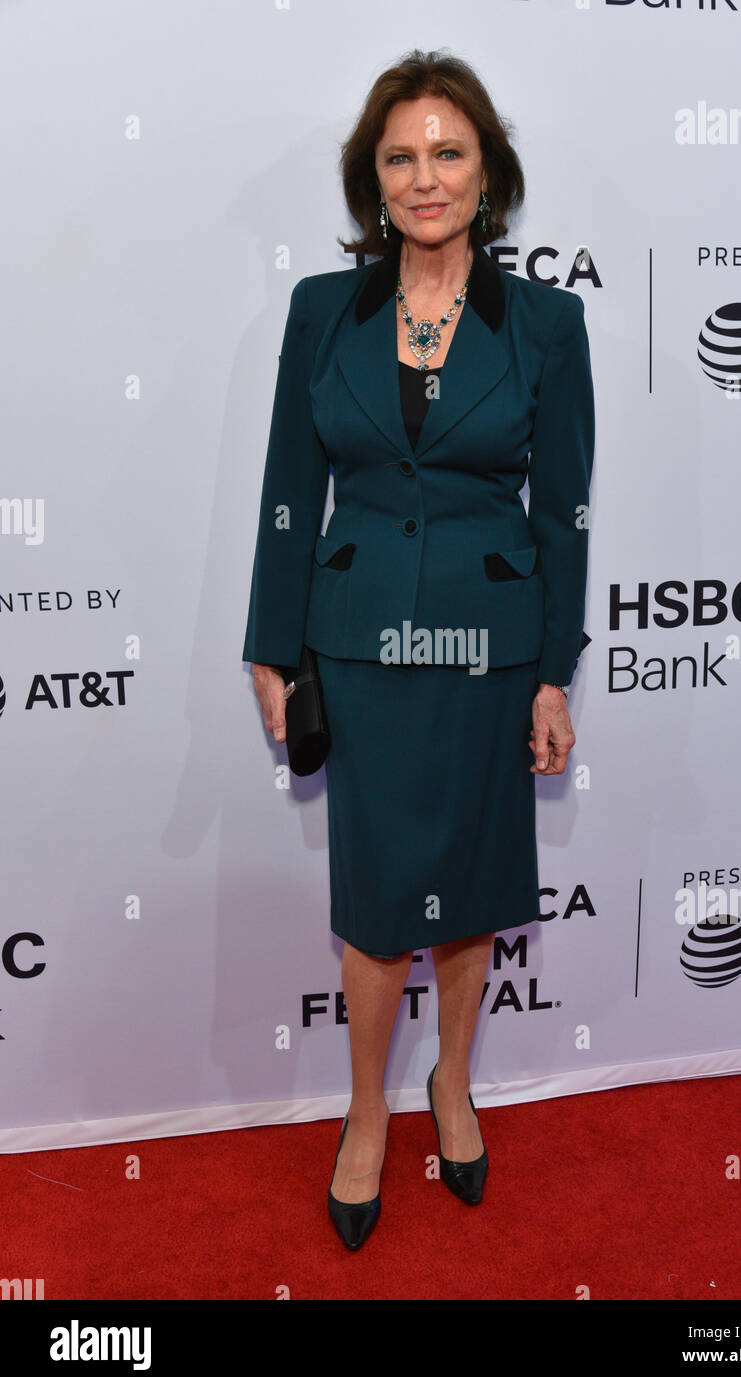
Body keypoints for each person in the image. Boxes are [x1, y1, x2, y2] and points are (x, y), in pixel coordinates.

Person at [242, 49, 595, 1251]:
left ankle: (451, 1077)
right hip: (362, 646)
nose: (424, 175)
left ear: (486, 171)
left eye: (448, 152)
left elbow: (562, 511)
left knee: (474, 886)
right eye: (401, 155)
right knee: (382, 901)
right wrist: (270, 644)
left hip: (491, 652)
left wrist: (555, 670)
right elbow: (294, 490)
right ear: (372, 179)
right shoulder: (317, 314)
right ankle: (363, 1108)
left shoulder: (547, 324)